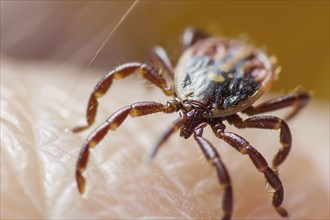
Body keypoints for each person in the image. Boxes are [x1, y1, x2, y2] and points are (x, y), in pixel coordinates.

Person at [1, 59, 329, 219]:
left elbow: (283, 127)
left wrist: (277, 159)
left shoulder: (232, 118)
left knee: (245, 157)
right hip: (211, 74)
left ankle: (277, 205)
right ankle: (86, 125)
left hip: (230, 79)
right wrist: (90, 123)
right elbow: (124, 71)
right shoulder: (177, 96)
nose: (186, 126)